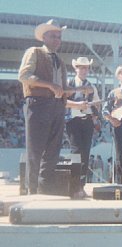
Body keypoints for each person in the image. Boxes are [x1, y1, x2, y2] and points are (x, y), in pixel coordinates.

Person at [18, 19, 73, 195]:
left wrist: (75, 91)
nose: (57, 39)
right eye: (53, 36)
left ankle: (44, 188)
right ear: (44, 37)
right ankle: (31, 190)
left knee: (53, 150)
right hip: (38, 104)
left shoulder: (61, 61)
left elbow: (62, 89)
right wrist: (49, 85)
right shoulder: (34, 52)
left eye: (59, 36)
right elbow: (24, 75)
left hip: (57, 106)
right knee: (35, 149)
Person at [65, 57, 100, 196]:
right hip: (73, 121)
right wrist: (78, 105)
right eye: (81, 67)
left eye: (86, 68)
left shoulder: (92, 86)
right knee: (76, 152)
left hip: (87, 122)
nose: (84, 70)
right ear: (76, 68)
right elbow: (63, 101)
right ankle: (73, 186)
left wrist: (93, 110)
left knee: (85, 153)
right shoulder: (69, 83)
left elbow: (97, 105)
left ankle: (81, 186)